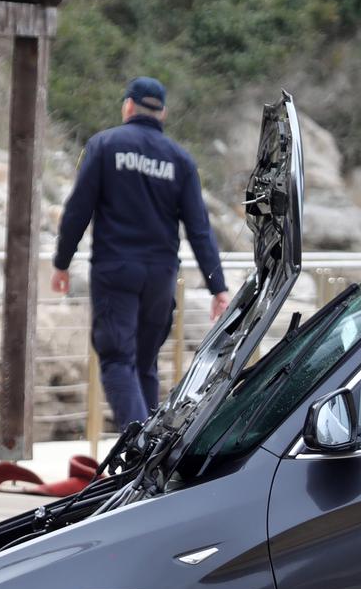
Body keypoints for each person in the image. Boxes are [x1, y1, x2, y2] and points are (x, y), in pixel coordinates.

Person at [51, 77, 229, 431]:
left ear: (128, 106)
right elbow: (199, 229)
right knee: (145, 364)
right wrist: (217, 287)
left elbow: (77, 211)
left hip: (115, 270)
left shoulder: (104, 146)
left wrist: (62, 262)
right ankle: (152, 456)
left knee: (117, 360)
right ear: (162, 112)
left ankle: (138, 451)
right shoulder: (181, 160)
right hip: (160, 277)